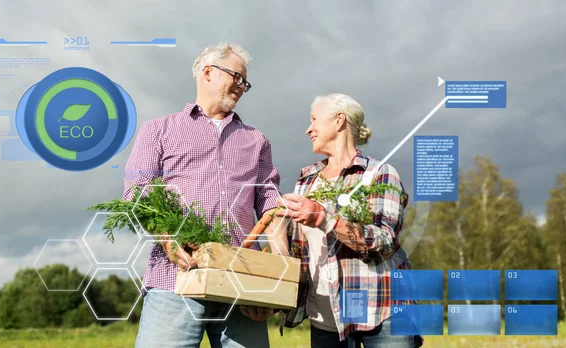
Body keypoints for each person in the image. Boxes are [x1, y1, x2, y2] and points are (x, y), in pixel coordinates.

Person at [124, 42, 286, 348]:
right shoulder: (158, 130)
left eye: (245, 82)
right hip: (176, 279)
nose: (241, 86)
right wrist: (168, 239)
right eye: (236, 77)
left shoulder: (256, 140)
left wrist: (278, 273)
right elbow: (137, 194)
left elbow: (270, 206)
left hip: (241, 283)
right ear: (207, 72)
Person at [274, 93, 423, 347]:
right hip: (326, 318)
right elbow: (298, 251)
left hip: (381, 313)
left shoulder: (379, 174)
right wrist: (279, 232)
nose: (308, 129)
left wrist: (323, 217)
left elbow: (383, 239)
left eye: (314, 120)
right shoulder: (306, 180)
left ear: (339, 120)